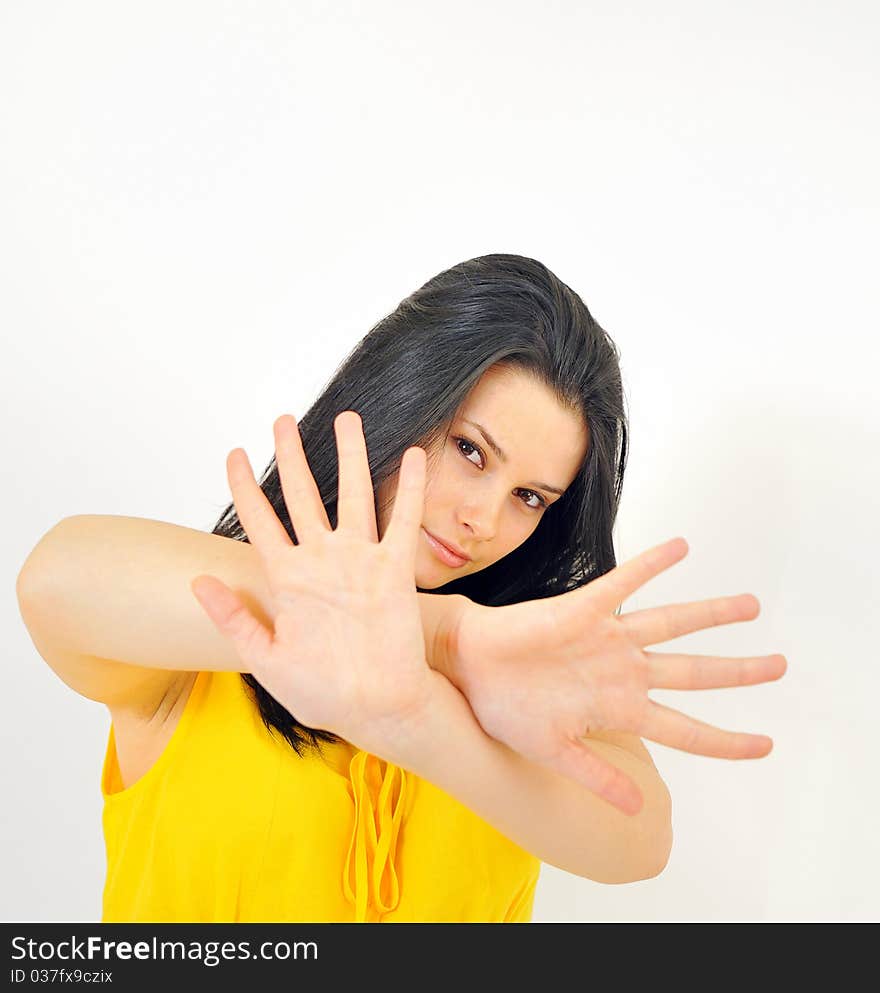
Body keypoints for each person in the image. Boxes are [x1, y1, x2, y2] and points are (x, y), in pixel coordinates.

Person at [16, 254, 787, 923]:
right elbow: (54, 580)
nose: (484, 518)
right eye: (470, 450)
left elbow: (640, 840)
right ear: (397, 398)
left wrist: (423, 716)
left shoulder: (532, 670)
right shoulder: (205, 640)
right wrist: (446, 633)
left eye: (530, 497)